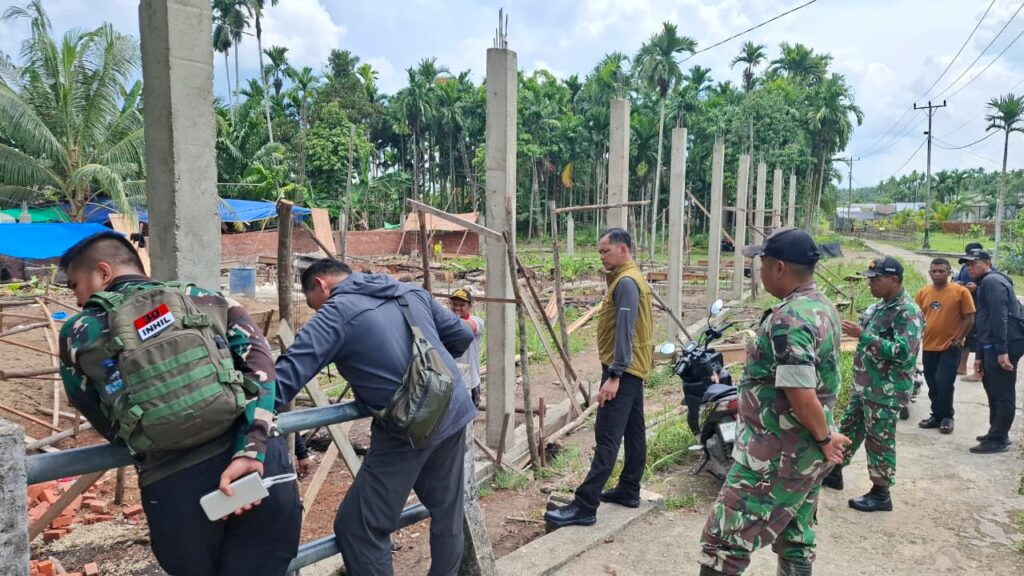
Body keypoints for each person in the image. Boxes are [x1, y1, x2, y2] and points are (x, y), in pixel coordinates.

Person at [57, 232, 301, 575]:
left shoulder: (78, 332)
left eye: (75, 285)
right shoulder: (205, 298)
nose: (79, 299)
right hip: (256, 467)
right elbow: (262, 369)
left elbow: (90, 405)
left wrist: (144, 437)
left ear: (103, 272)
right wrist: (252, 450)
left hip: (172, 484)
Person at [274, 259, 475, 575]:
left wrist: (239, 412)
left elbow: (282, 381)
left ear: (321, 285)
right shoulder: (408, 290)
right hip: (454, 408)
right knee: (447, 511)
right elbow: (461, 338)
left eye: (315, 304)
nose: (317, 311)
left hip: (409, 428)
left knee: (358, 526)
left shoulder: (335, 313)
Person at [698, 227, 850, 576]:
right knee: (796, 537)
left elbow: (801, 393)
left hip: (776, 454)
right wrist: (824, 435)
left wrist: (826, 440)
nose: (758, 270)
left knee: (723, 542)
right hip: (803, 448)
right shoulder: (821, 307)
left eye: (761, 263)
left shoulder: (790, 318)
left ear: (779, 267)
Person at [545, 228, 653, 529]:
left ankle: (585, 505)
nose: (601, 257)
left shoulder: (627, 283)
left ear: (623, 250)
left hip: (623, 370)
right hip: (633, 368)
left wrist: (615, 374)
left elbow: (625, 330)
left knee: (607, 436)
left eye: (605, 251)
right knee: (634, 432)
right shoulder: (628, 278)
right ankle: (629, 489)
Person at [822, 257, 923, 513]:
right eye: (869, 278)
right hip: (865, 385)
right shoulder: (880, 306)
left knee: (879, 440)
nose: (870, 283)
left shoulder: (907, 312)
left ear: (894, 280)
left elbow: (902, 352)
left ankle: (881, 492)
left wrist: (863, 335)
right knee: (850, 428)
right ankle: (834, 472)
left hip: (886, 390)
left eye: (875, 279)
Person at [961, 249, 1024, 454]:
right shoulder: (986, 282)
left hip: (1004, 344)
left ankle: (999, 438)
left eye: (973, 263)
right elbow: (984, 321)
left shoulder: (992, 282)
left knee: (1002, 391)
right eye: (967, 264)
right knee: (992, 388)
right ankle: (995, 431)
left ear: (987, 263)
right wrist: (979, 355)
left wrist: (1002, 351)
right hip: (993, 345)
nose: (969, 268)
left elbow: (999, 317)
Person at [914, 258, 975, 434]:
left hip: (950, 346)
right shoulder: (923, 292)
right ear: (929, 273)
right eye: (934, 271)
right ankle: (936, 416)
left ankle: (948, 417)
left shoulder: (960, 291)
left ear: (949, 273)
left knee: (944, 381)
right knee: (932, 382)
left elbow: (969, 318)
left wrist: (959, 338)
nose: (937, 274)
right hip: (929, 345)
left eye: (941, 271)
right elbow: (917, 318)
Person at [448, 287, 484, 408]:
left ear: (469, 307)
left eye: (462, 305)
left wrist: (444, 319)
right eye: (454, 304)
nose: (457, 308)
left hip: (471, 382)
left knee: (469, 421)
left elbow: (470, 327)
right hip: (449, 381)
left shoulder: (477, 321)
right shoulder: (445, 323)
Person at [956, 242, 985, 380]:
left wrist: (977, 289)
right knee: (966, 337)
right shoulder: (963, 269)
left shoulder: (992, 275)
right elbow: (956, 281)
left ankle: (978, 371)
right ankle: (962, 367)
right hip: (967, 307)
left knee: (981, 339)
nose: (971, 266)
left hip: (982, 309)